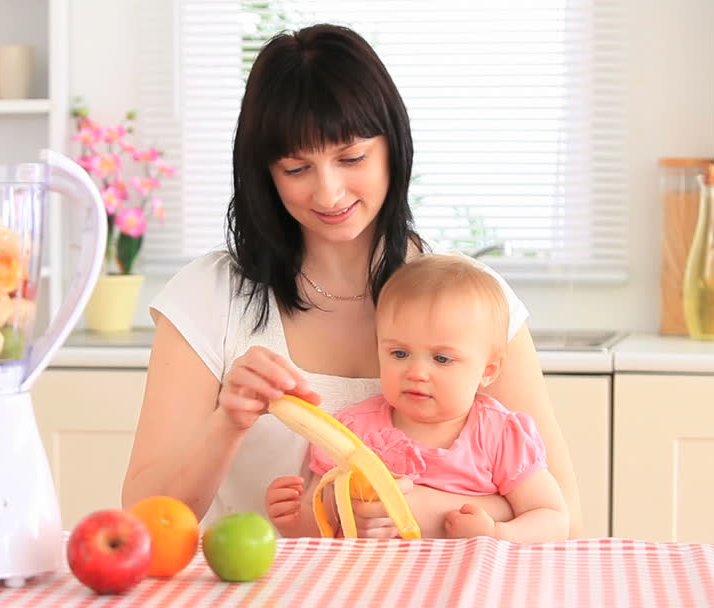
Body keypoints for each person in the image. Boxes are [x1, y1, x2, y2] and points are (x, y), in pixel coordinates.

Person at [122, 23, 583, 539]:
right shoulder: (210, 297)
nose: (329, 192)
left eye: (352, 158)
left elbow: (563, 518)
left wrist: (408, 506)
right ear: (265, 173)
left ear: (392, 147)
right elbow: (145, 519)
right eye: (296, 168)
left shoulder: (471, 300)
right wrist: (227, 422)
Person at [264, 255, 569, 542]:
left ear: (488, 370)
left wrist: (496, 533)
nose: (417, 372)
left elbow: (552, 517)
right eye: (399, 353)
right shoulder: (353, 430)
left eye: (441, 358)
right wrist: (296, 519)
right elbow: (324, 527)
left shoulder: (500, 435)